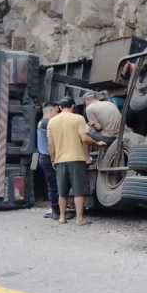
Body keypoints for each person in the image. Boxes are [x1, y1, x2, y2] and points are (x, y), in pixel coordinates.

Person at [47, 97, 97, 226]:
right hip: (76, 159)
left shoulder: (52, 122)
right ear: (73, 106)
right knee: (78, 190)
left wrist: (53, 159)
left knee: (62, 192)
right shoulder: (78, 118)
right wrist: (97, 142)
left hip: (60, 160)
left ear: (59, 107)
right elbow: (84, 138)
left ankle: (62, 217)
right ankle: (79, 219)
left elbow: (50, 144)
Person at [36, 102, 61, 220]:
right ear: (51, 110)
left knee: (52, 185)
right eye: (57, 111)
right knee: (55, 185)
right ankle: (56, 211)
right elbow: (53, 142)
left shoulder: (41, 122)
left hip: (43, 157)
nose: (58, 114)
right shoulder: (48, 123)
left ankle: (54, 209)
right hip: (48, 157)